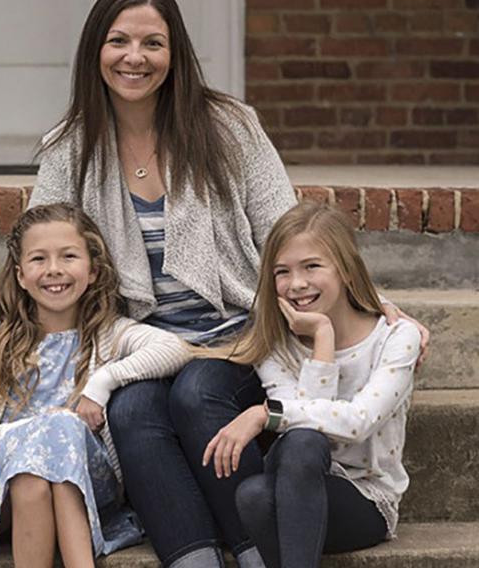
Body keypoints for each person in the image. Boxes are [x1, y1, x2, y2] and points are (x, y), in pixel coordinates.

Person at [29, 1, 429, 567]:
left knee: (198, 391)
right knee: (133, 410)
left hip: (239, 331)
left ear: (176, 53)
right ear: (96, 49)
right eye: (119, 42)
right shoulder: (68, 148)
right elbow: (40, 249)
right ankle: (195, 560)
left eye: (153, 44)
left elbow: (286, 234)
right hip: (137, 343)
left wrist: (374, 302)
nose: (135, 58)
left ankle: (253, 551)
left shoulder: (229, 127)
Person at [0, 204, 194, 567]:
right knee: (37, 463)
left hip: (83, 486)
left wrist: (103, 381)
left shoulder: (108, 334)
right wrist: (41, 429)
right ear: (19, 275)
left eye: (68, 256)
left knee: (48, 456)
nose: (53, 270)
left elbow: (175, 348)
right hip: (0, 487)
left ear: (93, 270)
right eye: (38, 259)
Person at [202, 202, 421, 567]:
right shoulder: (275, 349)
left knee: (291, 454)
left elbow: (358, 421)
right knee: (254, 494)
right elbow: (306, 434)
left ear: (347, 271)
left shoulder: (397, 338)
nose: (297, 284)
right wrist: (323, 337)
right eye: (282, 272)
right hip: (294, 483)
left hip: (364, 499)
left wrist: (264, 414)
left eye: (312, 266)